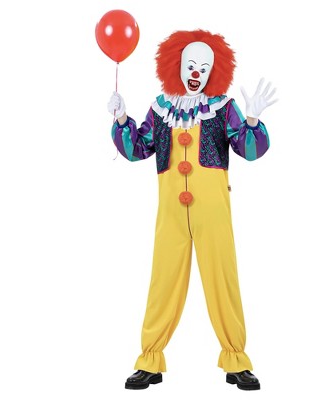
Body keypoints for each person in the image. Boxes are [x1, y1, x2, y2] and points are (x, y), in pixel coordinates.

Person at [107, 29, 277, 391]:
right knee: (162, 282)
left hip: (212, 212)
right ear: (177, 66)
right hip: (170, 213)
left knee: (223, 280)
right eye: (190, 65)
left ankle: (236, 359)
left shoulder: (223, 107)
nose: (196, 72)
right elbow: (138, 149)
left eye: (204, 66)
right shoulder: (161, 109)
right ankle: (150, 359)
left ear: (214, 71)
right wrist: (122, 120)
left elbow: (250, 151)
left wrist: (251, 120)